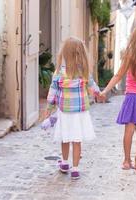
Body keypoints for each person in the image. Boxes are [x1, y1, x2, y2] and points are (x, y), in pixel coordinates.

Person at [100, 27, 136, 170]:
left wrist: (105, 90)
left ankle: (126, 161)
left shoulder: (129, 56)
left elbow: (118, 75)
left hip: (131, 96)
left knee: (129, 129)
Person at [45, 37, 101, 179]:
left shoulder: (59, 73)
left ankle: (64, 163)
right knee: (77, 140)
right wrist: (98, 93)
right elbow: (92, 86)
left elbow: (53, 91)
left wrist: (49, 107)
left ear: (64, 53)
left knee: (65, 137)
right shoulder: (84, 72)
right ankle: (75, 169)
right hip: (80, 112)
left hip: (64, 111)